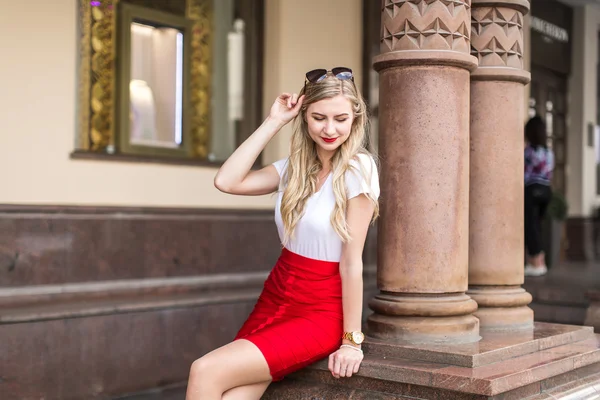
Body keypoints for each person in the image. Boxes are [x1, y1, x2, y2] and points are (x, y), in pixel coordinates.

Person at [185, 67, 380, 400]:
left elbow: (351, 263)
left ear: (355, 119)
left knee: (205, 370)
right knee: (233, 394)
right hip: (276, 297)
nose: (329, 129)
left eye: (340, 119)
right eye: (319, 117)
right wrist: (274, 121)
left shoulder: (358, 170)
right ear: (304, 116)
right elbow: (227, 181)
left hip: (320, 311)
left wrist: (351, 341)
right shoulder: (293, 168)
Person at [524, 115, 554, 277]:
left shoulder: (529, 151)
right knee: (537, 226)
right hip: (546, 191)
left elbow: (523, 173)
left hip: (531, 190)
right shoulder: (548, 152)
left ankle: (536, 263)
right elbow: (549, 173)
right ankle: (539, 262)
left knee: (530, 226)